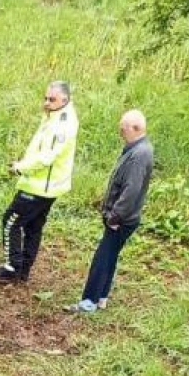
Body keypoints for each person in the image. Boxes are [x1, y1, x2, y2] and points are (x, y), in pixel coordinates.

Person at [66, 110, 153, 313]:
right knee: (110, 256)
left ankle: (89, 302)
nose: (121, 132)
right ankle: (101, 298)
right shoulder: (139, 149)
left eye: (123, 129)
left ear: (136, 129)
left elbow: (131, 190)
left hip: (122, 219)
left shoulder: (139, 154)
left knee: (102, 258)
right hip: (125, 217)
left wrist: (115, 215)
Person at [0, 81, 79, 284]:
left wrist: (21, 167)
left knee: (10, 221)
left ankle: (12, 267)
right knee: (33, 227)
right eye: (45, 98)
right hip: (47, 186)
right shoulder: (56, 115)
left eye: (52, 99)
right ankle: (23, 270)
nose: (46, 102)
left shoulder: (62, 125)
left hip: (40, 186)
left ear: (64, 100)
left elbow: (47, 157)